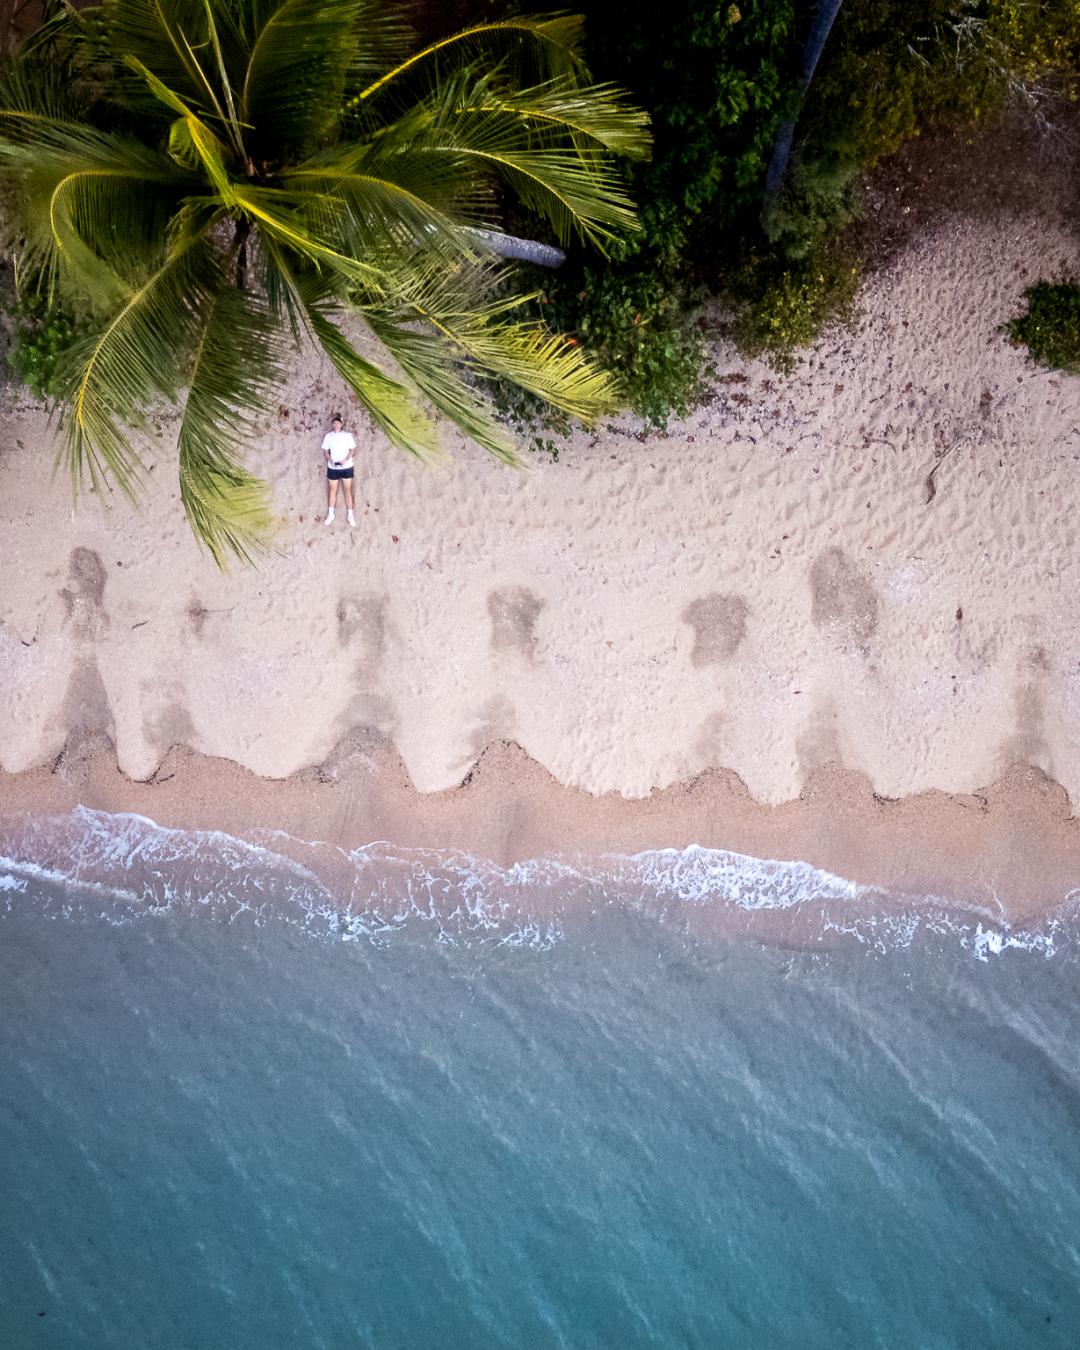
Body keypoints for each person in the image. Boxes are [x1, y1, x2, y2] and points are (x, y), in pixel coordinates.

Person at [321, 414, 357, 527]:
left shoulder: (347, 435)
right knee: (332, 490)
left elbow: (353, 449)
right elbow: (325, 451)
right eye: (334, 423)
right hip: (333, 467)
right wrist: (329, 459)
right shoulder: (328, 436)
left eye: (338, 423)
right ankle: (331, 513)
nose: (336, 424)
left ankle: (350, 514)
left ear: (341, 424)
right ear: (333, 424)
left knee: (347, 490)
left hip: (346, 467)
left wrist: (346, 459)